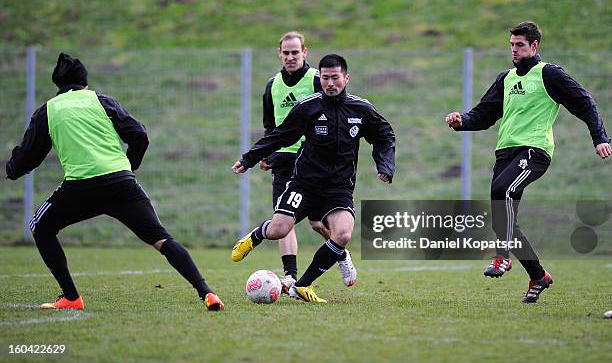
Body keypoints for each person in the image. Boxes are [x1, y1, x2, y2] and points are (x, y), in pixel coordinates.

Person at [5, 53, 224, 311]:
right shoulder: (101, 101)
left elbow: (29, 155)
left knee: (40, 226)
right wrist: (132, 163)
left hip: (80, 188)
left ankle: (71, 297)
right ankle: (207, 292)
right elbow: (139, 134)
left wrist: (12, 170)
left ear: (58, 85)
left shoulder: (48, 111)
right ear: (84, 82)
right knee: (162, 240)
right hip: (121, 183)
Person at [445, 21, 611, 303]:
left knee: (502, 192)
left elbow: (585, 103)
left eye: (520, 45)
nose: (514, 50)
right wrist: (462, 121)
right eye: (511, 45)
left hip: (534, 151)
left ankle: (502, 255)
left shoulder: (549, 74)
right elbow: (484, 116)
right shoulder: (506, 79)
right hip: (505, 153)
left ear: (534, 46)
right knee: (505, 215)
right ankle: (538, 276)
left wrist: (600, 138)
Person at [231, 54, 395, 303]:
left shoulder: (361, 109)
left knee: (342, 234)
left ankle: (302, 285)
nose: (330, 83)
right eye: (325, 78)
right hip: (304, 184)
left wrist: (385, 165)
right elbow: (280, 136)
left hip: (338, 188)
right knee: (279, 230)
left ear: (346, 78)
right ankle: (256, 235)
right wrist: (248, 159)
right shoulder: (308, 107)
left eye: (335, 78)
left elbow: (384, 134)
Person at [260, 31, 357, 292]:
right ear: (279, 53)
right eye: (286, 52)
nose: (290, 57)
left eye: (295, 52)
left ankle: (341, 253)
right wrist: (265, 153)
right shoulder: (272, 85)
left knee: (317, 223)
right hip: (283, 161)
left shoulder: (318, 80)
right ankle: (290, 276)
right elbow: (270, 126)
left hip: (313, 164)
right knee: (283, 220)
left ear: (305, 52)